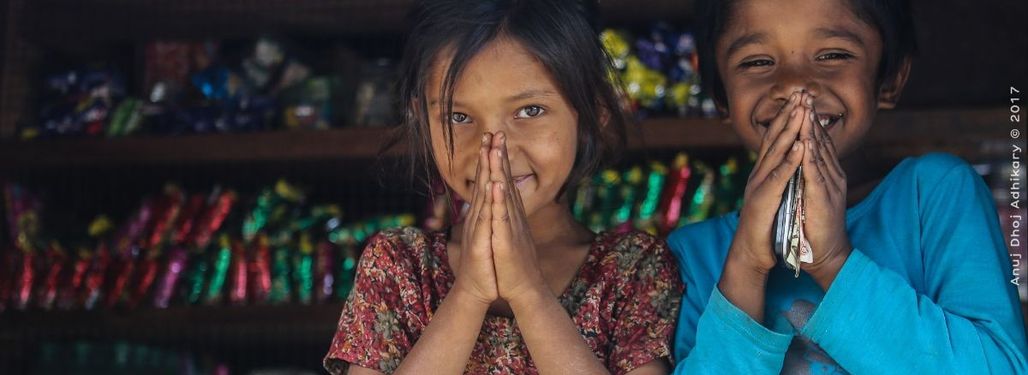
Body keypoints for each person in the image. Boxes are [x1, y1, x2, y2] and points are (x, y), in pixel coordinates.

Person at [668, 0, 1028, 373]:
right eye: (757, 61)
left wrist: (834, 262)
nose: (795, 84)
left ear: (889, 79)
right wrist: (745, 266)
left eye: (833, 55)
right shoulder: (696, 256)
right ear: (719, 95)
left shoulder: (934, 196)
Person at [324, 1, 683, 374]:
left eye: (530, 111)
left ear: (591, 114)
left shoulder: (630, 270)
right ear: (421, 118)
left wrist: (529, 293)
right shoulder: (400, 266)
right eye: (458, 116)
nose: (494, 148)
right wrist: (469, 295)